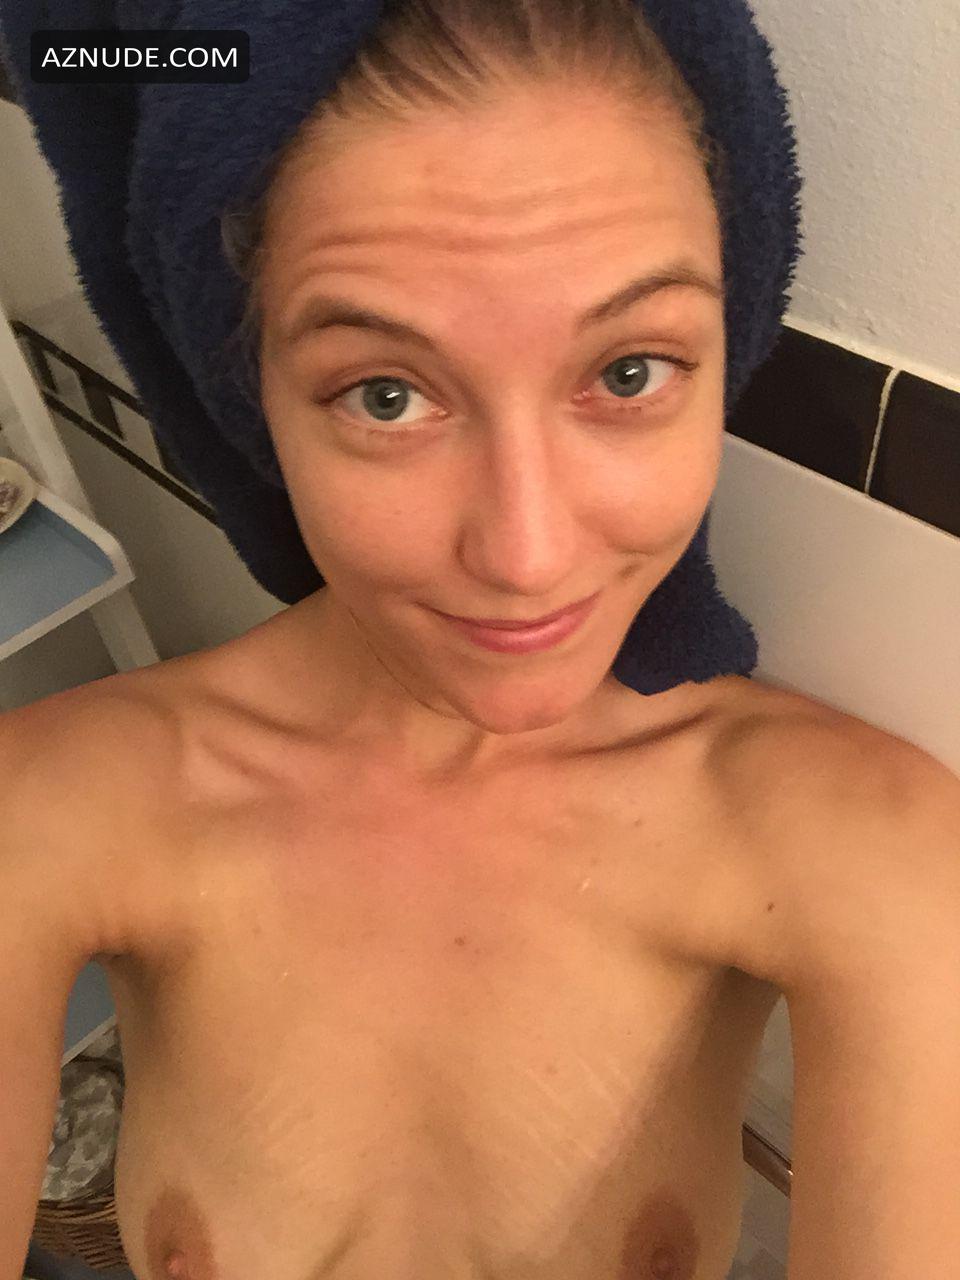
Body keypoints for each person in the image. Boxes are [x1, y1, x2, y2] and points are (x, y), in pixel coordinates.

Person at [3, 3, 956, 1279]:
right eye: (386, 393)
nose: (526, 553)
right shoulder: (55, 803)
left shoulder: (862, 842)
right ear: (251, 398)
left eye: (629, 372)